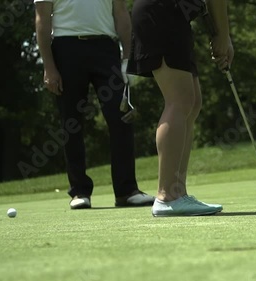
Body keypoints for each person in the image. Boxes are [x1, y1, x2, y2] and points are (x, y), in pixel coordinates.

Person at [34, 0, 155, 209]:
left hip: (106, 48)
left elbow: (121, 14)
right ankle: (79, 191)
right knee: (71, 122)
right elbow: (42, 20)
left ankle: (126, 191)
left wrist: (128, 57)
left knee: (121, 116)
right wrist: (49, 67)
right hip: (66, 49)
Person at [127, 0, 234, 216]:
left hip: (173, 15)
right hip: (163, 12)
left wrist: (218, 33)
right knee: (179, 100)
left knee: (192, 102)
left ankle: (178, 192)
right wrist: (223, 36)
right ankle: (167, 196)